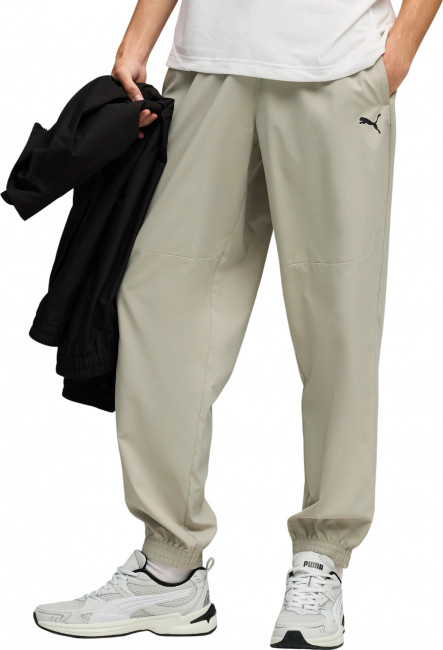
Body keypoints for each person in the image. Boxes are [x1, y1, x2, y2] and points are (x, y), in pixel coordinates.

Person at [33, 0, 442, 647]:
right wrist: (138, 40)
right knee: (156, 303)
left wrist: (397, 55)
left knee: (338, 321)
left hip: (336, 69)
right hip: (206, 68)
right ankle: (168, 567)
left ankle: (321, 557)